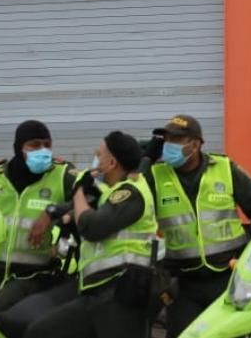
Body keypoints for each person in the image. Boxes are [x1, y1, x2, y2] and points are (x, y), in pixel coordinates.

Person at [21, 132, 160, 338]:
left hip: (120, 293)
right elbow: (81, 209)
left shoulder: (131, 193)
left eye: (99, 154)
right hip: (97, 292)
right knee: (40, 332)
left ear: (112, 162)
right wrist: (60, 214)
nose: (95, 158)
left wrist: (78, 189)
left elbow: (91, 227)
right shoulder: (112, 192)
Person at [145, 115, 251, 337]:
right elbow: (126, 194)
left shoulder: (224, 168)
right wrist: (145, 159)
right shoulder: (155, 175)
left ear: (195, 144)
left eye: (177, 139)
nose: (169, 145)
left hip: (228, 277)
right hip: (182, 283)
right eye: (166, 140)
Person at [0, 120, 76, 310]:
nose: (42, 150)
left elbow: (93, 197)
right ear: (18, 148)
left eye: (47, 144)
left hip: (33, 278)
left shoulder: (63, 174)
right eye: (34, 145)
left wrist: (52, 212)